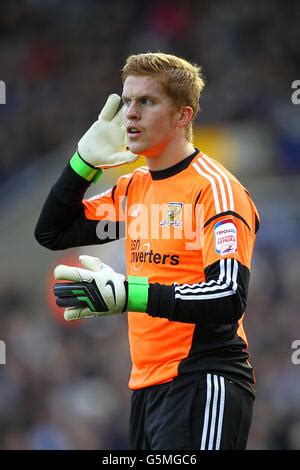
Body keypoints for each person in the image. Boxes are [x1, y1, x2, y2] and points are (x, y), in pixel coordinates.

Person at [35, 52, 260, 450]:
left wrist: (128, 293)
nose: (130, 115)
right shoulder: (135, 187)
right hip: (147, 387)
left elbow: (228, 295)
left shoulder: (215, 190)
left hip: (204, 380)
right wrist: (83, 163)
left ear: (183, 117)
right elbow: (53, 231)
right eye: (127, 101)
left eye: (147, 102)